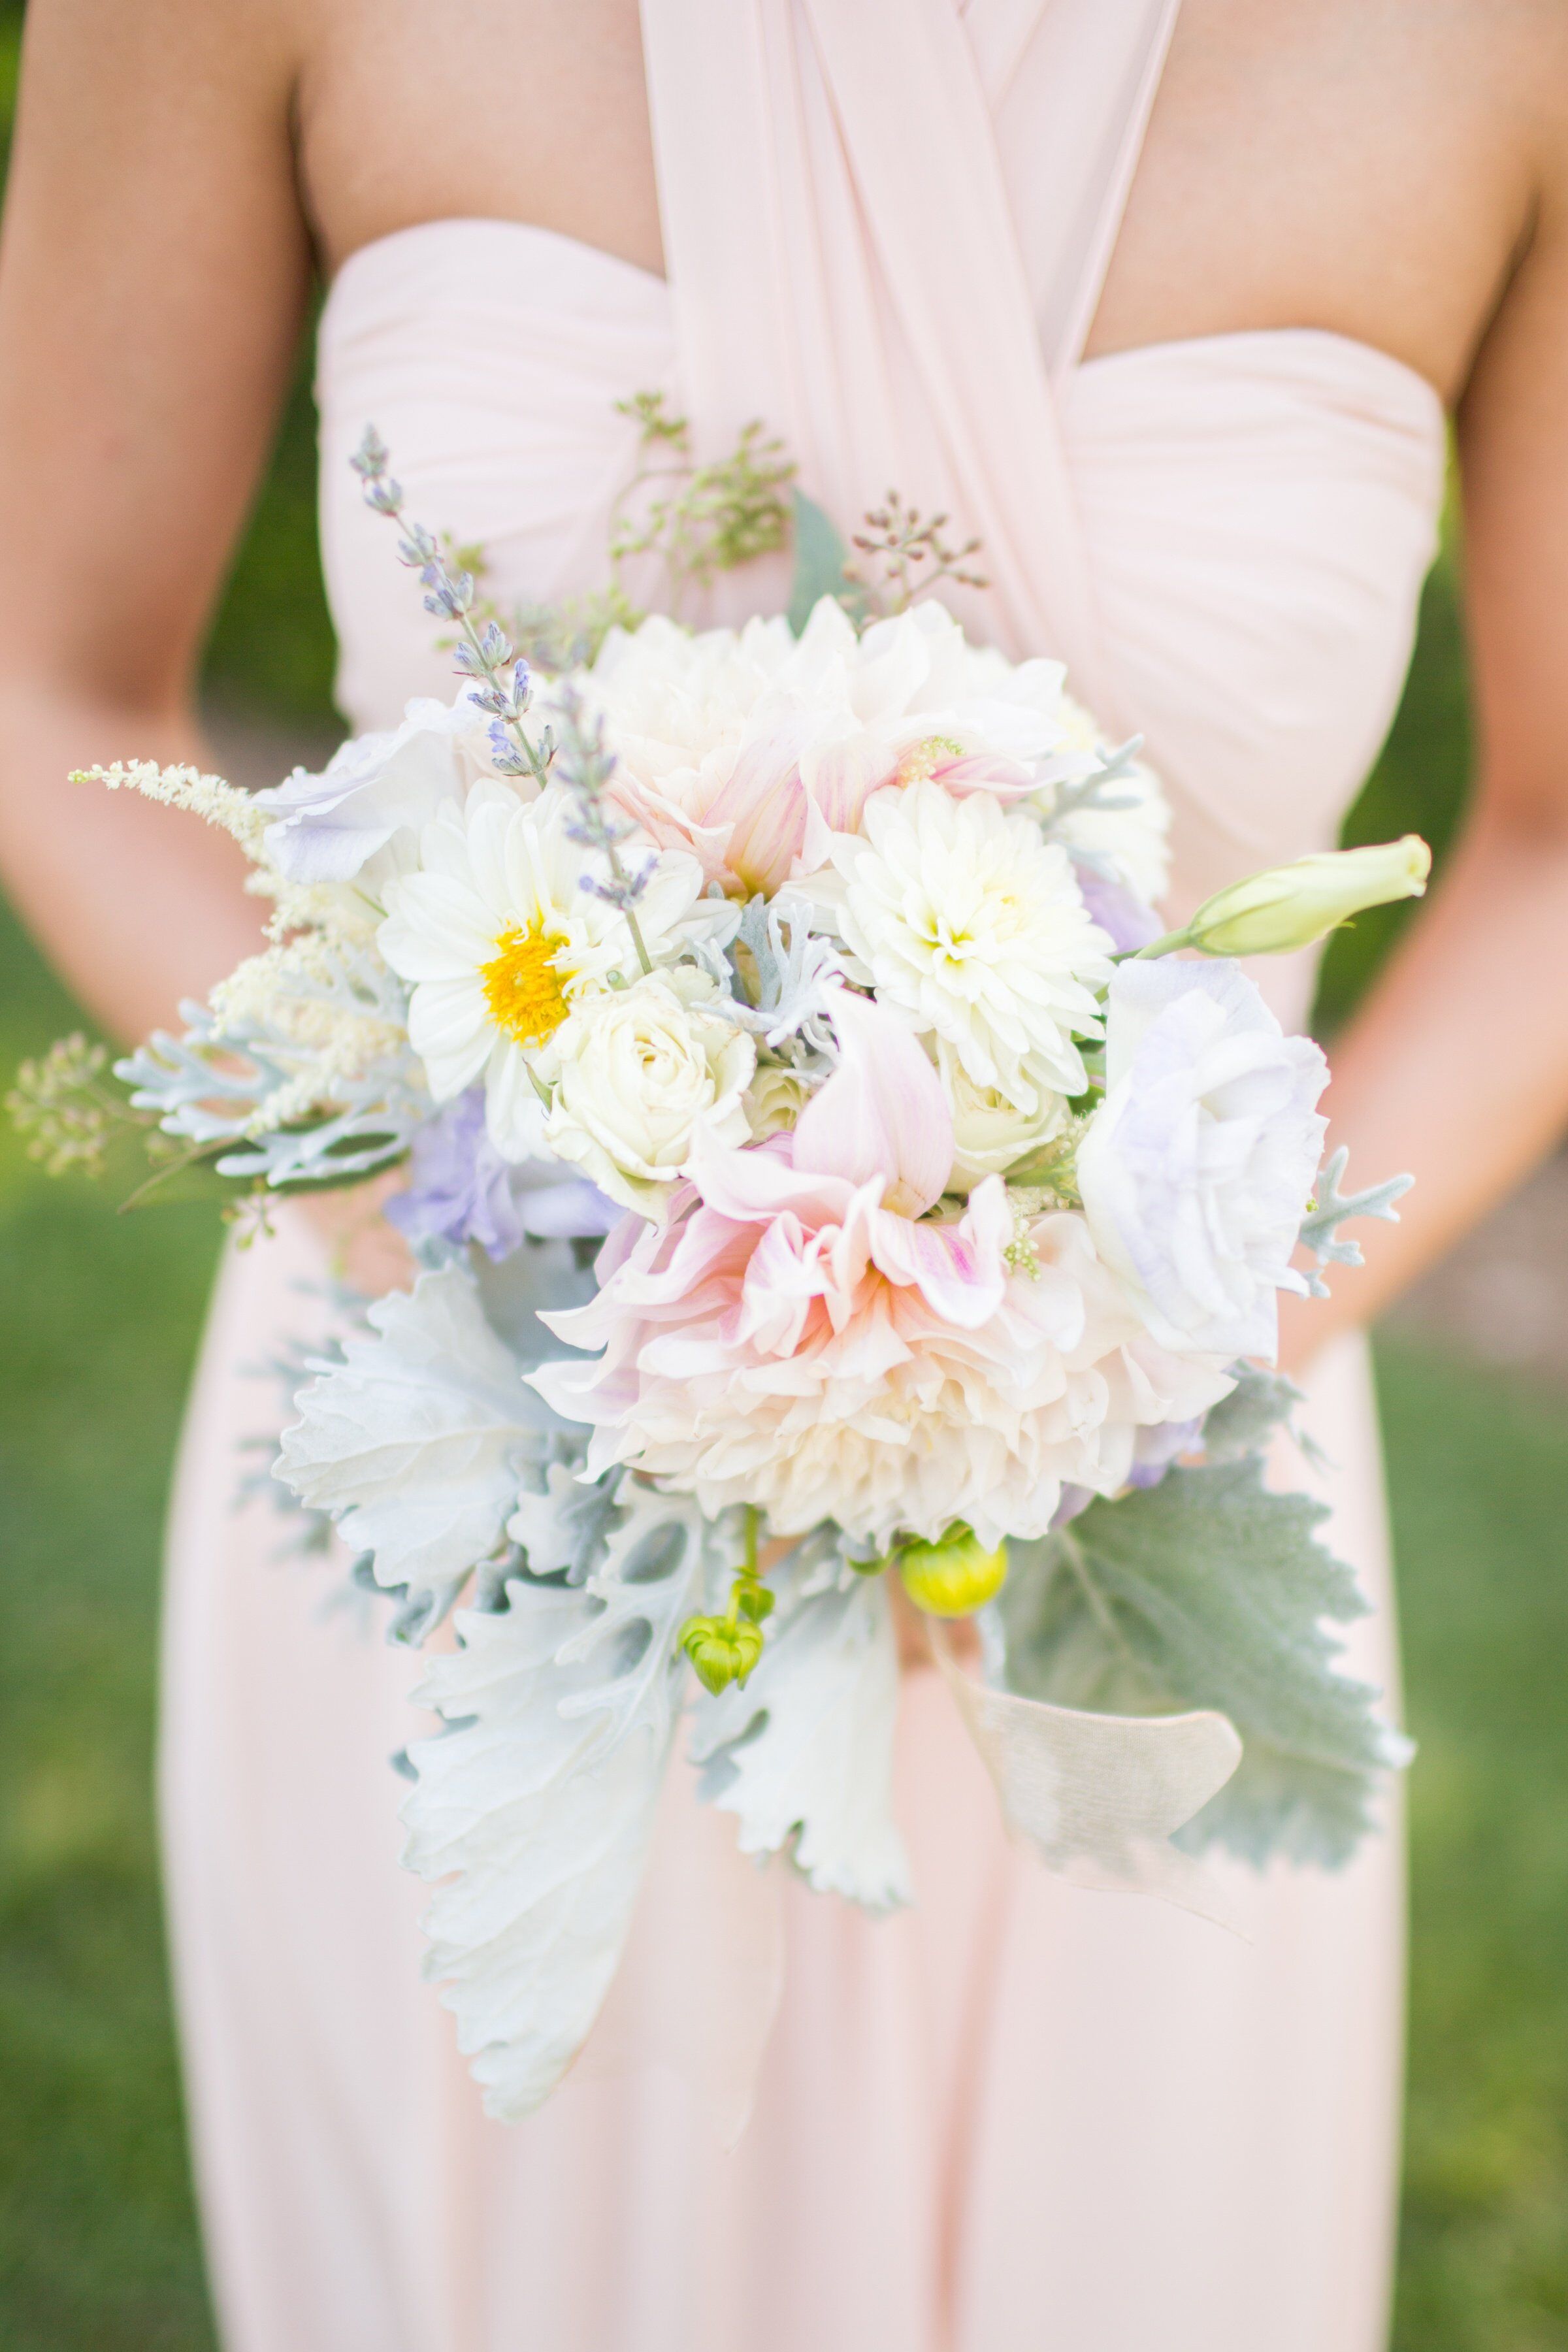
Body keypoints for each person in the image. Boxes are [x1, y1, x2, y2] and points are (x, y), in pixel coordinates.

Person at [3, 2, 1567, 2346]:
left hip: (1135, 1505)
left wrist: (1078, 1368)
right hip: (475, 1492)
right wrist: (586, 1320)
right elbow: (51, 686)